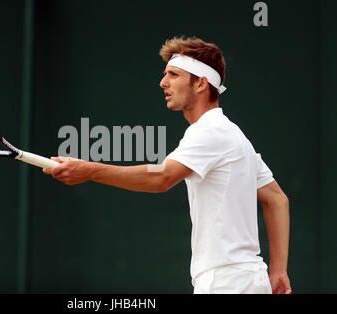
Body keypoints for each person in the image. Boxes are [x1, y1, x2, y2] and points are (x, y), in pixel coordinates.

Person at [43, 36, 291, 294]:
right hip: (244, 279)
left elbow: (161, 177)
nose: (163, 82)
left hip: (227, 283)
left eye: (173, 74)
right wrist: (278, 271)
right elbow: (277, 199)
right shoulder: (235, 136)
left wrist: (89, 170)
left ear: (201, 84)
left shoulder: (210, 132)